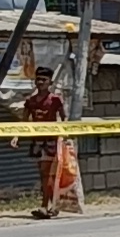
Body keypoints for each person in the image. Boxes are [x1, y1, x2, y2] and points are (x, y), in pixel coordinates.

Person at [25, 68, 83, 217]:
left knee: (50, 176)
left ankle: (47, 206)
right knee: (43, 175)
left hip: (52, 142)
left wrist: (65, 136)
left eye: (44, 80)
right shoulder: (30, 101)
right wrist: (16, 137)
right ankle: (51, 205)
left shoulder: (56, 100)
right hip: (38, 142)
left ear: (50, 82)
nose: (40, 82)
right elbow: (24, 122)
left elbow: (63, 118)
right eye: (38, 79)